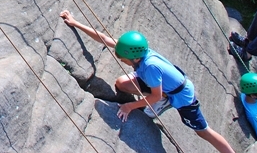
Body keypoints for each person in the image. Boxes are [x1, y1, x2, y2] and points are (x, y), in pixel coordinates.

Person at [59, 10, 235, 153]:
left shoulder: (150, 67)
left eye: (124, 59)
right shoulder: (137, 50)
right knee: (122, 83)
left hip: (182, 96)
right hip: (162, 86)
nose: (121, 60)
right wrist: (75, 23)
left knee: (202, 131)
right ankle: (164, 96)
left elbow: (155, 96)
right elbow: (105, 39)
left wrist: (129, 107)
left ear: (134, 58)